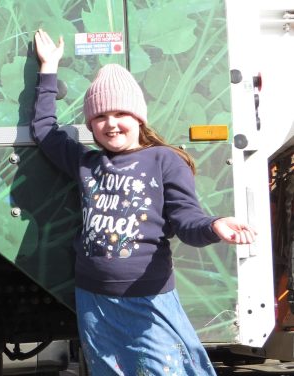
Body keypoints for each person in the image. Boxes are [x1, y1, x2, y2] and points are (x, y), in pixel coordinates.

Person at [31, 29, 257, 375]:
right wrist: (48, 70)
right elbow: (45, 129)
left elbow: (187, 221)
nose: (111, 124)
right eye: (100, 117)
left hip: (148, 300)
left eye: (120, 114)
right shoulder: (87, 162)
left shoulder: (165, 160)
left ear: (138, 117)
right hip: (94, 299)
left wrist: (214, 225)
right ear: (91, 124)